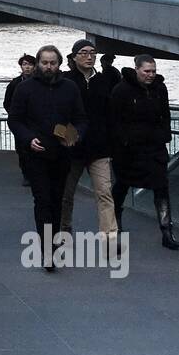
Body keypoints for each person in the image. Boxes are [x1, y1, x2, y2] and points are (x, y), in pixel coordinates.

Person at [9, 45, 87, 271]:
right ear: (38, 63)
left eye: (53, 63)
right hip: (35, 154)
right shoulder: (25, 89)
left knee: (57, 201)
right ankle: (47, 250)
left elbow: (81, 119)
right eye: (45, 63)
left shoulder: (70, 88)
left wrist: (75, 136)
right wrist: (28, 138)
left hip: (62, 154)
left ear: (60, 63)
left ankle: (52, 243)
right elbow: (14, 120)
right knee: (42, 200)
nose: (49, 67)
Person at [110, 55, 179, 250]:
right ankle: (115, 227)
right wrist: (123, 143)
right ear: (137, 70)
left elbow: (165, 114)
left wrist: (164, 136)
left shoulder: (160, 88)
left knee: (161, 187)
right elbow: (114, 120)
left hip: (154, 147)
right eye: (146, 71)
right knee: (122, 186)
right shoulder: (121, 90)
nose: (151, 75)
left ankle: (167, 231)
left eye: (153, 71)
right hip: (128, 150)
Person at [60, 39, 118, 238]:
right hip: (72, 148)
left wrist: (111, 142)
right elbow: (58, 113)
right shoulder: (65, 81)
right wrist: (66, 138)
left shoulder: (104, 81)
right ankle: (64, 230)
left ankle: (109, 236)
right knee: (66, 195)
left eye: (92, 52)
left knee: (104, 193)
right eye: (83, 52)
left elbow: (111, 114)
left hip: (100, 149)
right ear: (74, 56)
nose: (89, 56)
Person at [3, 53, 37, 186]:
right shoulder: (14, 83)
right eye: (24, 64)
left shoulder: (40, 81)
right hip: (20, 123)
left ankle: (35, 173)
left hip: (35, 122)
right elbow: (7, 102)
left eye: (30, 64)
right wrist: (14, 116)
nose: (27, 67)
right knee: (22, 149)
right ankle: (26, 174)